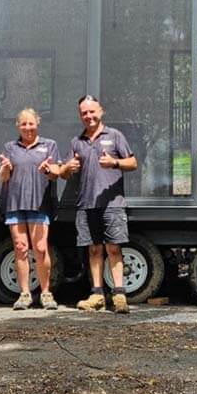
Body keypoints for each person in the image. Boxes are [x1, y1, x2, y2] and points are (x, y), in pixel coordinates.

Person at [56, 95, 137, 314]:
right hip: (86, 204)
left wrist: (115, 162)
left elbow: (133, 162)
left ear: (100, 111)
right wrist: (67, 168)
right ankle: (97, 295)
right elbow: (63, 173)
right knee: (93, 250)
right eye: (84, 113)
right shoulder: (77, 142)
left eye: (92, 111)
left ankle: (119, 294)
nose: (89, 116)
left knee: (113, 248)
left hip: (112, 204)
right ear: (80, 115)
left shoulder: (115, 136)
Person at [0, 107, 61, 311]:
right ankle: (24, 294)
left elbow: (55, 174)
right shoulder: (10, 147)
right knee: (20, 248)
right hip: (15, 203)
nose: (27, 127)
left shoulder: (49, 145)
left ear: (38, 123)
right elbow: (4, 177)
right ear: (18, 126)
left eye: (31, 123)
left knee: (41, 249)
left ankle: (46, 293)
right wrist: (5, 169)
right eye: (23, 124)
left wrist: (49, 170)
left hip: (39, 203)